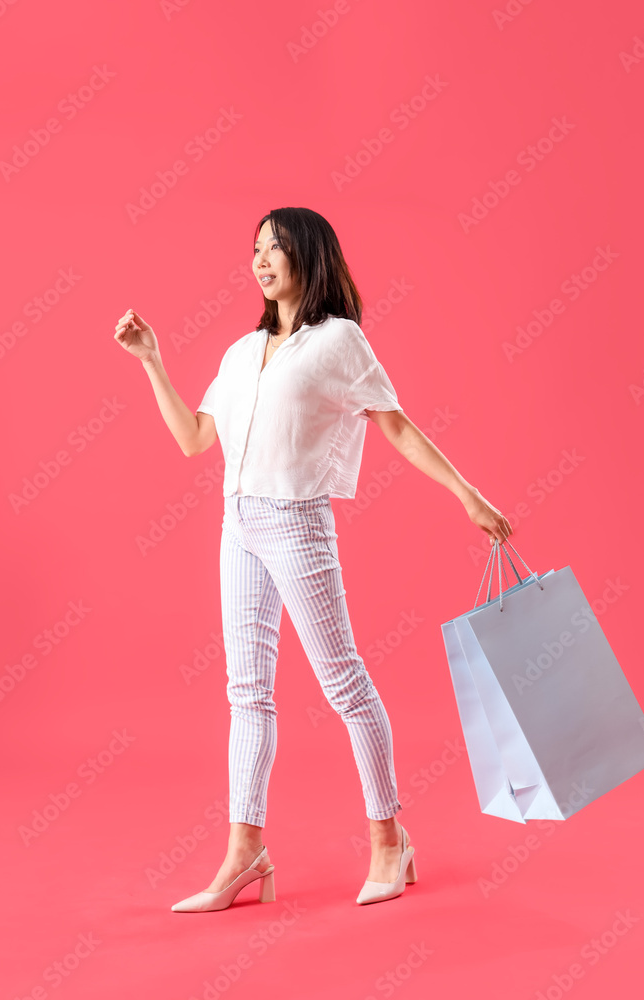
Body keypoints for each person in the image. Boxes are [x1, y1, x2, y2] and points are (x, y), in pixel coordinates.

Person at [114, 206, 512, 911]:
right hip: (237, 525)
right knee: (247, 693)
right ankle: (245, 854)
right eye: (255, 249)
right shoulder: (242, 353)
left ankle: (389, 839)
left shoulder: (338, 342)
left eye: (276, 248)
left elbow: (394, 423)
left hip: (297, 525)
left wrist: (467, 493)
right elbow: (194, 440)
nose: (261, 260)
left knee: (344, 684)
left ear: (309, 256)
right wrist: (153, 361)